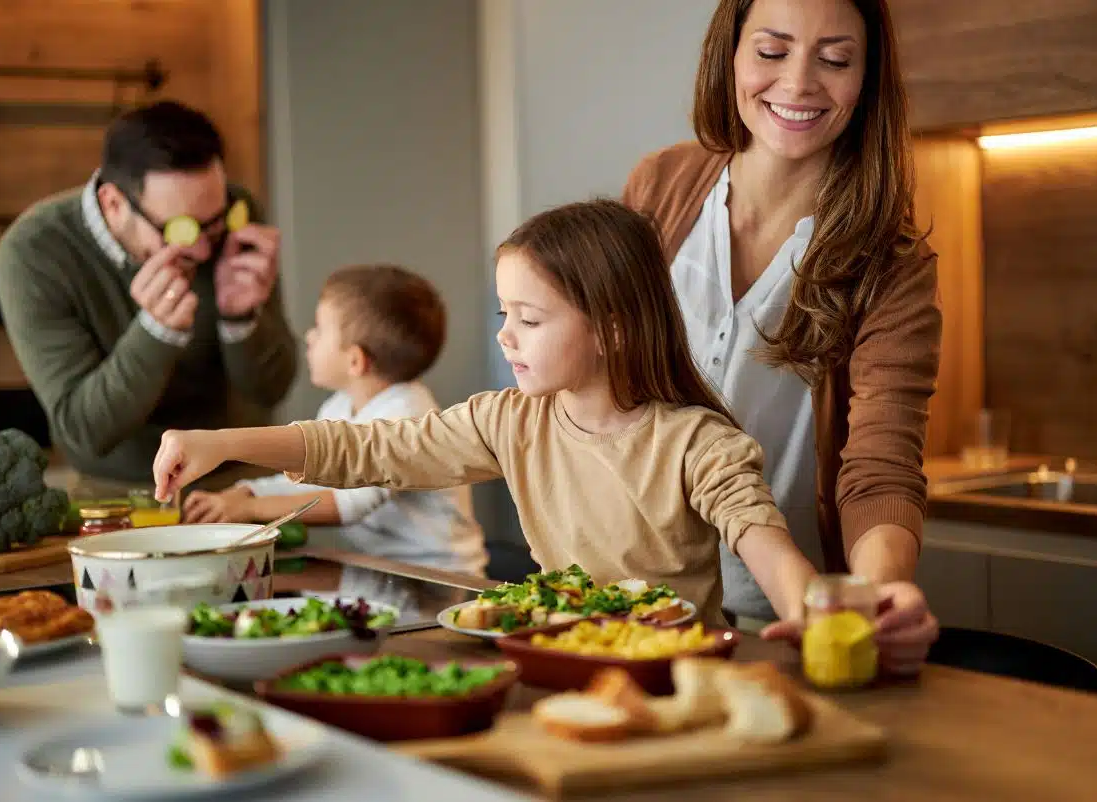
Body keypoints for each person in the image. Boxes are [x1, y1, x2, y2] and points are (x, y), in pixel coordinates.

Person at [151, 199, 820, 627]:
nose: (505, 336)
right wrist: (221, 442)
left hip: (672, 674)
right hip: (558, 655)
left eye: (529, 318)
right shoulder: (509, 421)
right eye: (506, 314)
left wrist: (809, 614)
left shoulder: (696, 443)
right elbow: (365, 451)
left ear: (613, 330)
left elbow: (761, 537)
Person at [621, 0, 940, 673]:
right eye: (771, 51)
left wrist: (879, 593)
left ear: (868, 78)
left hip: (781, 621)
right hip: (629, 601)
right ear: (730, 54)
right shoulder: (661, 188)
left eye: (835, 59)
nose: (798, 84)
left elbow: (880, 463)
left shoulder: (891, 260)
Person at [0, 101, 298, 490]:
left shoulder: (236, 213)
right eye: (181, 229)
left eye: (214, 224)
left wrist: (242, 321)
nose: (204, 250)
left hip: (244, 483)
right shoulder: (33, 252)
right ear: (114, 204)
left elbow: (272, 388)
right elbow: (85, 431)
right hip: (120, 492)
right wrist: (156, 332)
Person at [180, 264, 489, 577]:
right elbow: (310, 475)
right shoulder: (339, 407)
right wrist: (246, 492)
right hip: (385, 571)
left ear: (355, 360)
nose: (309, 336)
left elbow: (349, 504)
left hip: (442, 576)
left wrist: (249, 509)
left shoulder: (408, 415)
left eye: (320, 328)